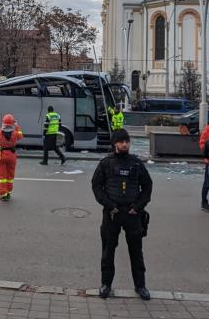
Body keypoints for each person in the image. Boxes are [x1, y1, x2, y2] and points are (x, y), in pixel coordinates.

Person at [91, 129, 153, 301]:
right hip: (112, 214)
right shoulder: (106, 163)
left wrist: (138, 207)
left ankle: (140, 286)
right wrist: (109, 205)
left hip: (133, 214)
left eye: (127, 141)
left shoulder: (136, 164)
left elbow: (147, 186)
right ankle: (106, 285)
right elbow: (96, 186)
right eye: (121, 141)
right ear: (115, 144)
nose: (125, 144)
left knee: (136, 251)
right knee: (108, 251)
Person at [0, 114, 23, 201]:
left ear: (3, 123)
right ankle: (9, 191)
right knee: (10, 174)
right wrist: (17, 126)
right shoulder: (15, 134)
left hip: (2, 155)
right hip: (12, 155)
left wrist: (4, 125)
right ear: (12, 123)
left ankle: (4, 194)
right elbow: (21, 135)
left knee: (2, 176)